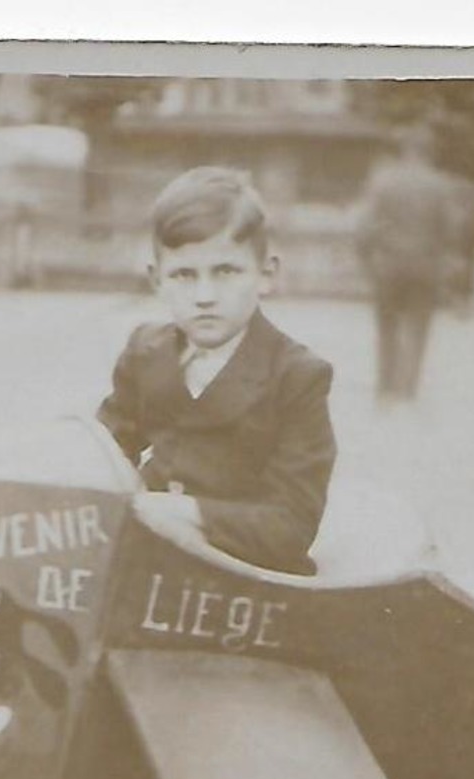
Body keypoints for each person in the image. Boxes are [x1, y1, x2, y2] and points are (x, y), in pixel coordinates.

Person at [96, 166, 337, 576]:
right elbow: (101, 457)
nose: (205, 296)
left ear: (265, 274)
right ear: (157, 281)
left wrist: (185, 512)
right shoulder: (146, 352)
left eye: (225, 272)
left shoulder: (297, 376)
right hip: (148, 566)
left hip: (247, 579)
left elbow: (292, 525)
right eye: (184, 275)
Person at [355, 127, 456, 403]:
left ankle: (386, 387)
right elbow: (450, 230)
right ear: (429, 152)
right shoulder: (439, 185)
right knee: (419, 326)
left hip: (389, 264)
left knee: (387, 326)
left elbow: (365, 226)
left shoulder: (383, 182)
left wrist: (365, 259)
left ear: (403, 150)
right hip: (425, 265)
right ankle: (409, 387)